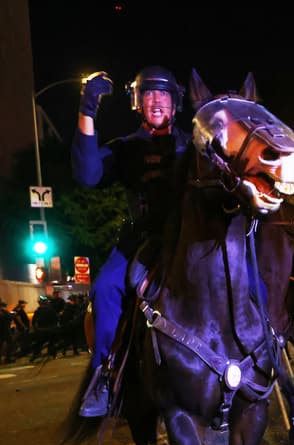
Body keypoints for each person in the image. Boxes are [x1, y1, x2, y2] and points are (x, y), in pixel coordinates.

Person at [71, 66, 192, 391]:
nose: (156, 101)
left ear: (175, 103)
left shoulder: (194, 146)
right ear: (137, 102)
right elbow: (87, 175)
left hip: (190, 238)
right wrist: (87, 109)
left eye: (163, 94)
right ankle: (104, 373)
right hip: (141, 240)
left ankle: (264, 347)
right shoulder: (124, 147)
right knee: (105, 289)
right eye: (149, 94)